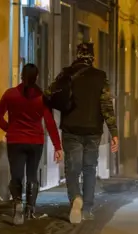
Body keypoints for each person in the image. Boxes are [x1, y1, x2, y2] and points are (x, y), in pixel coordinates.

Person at [51, 42, 119, 224]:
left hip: (71, 128)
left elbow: (49, 94)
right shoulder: (100, 77)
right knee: (89, 168)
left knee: (72, 169)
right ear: (93, 57)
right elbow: (106, 106)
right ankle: (87, 208)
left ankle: (75, 198)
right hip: (93, 131)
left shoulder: (66, 74)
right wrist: (114, 132)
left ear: (77, 55)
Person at [0, 63, 63, 225]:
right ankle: (30, 210)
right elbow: (50, 123)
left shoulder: (10, 94)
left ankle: (17, 203)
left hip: (15, 141)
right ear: (36, 77)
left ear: (22, 76)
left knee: (16, 174)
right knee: (32, 175)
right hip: (35, 142)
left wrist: (9, 129)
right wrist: (58, 147)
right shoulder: (42, 97)